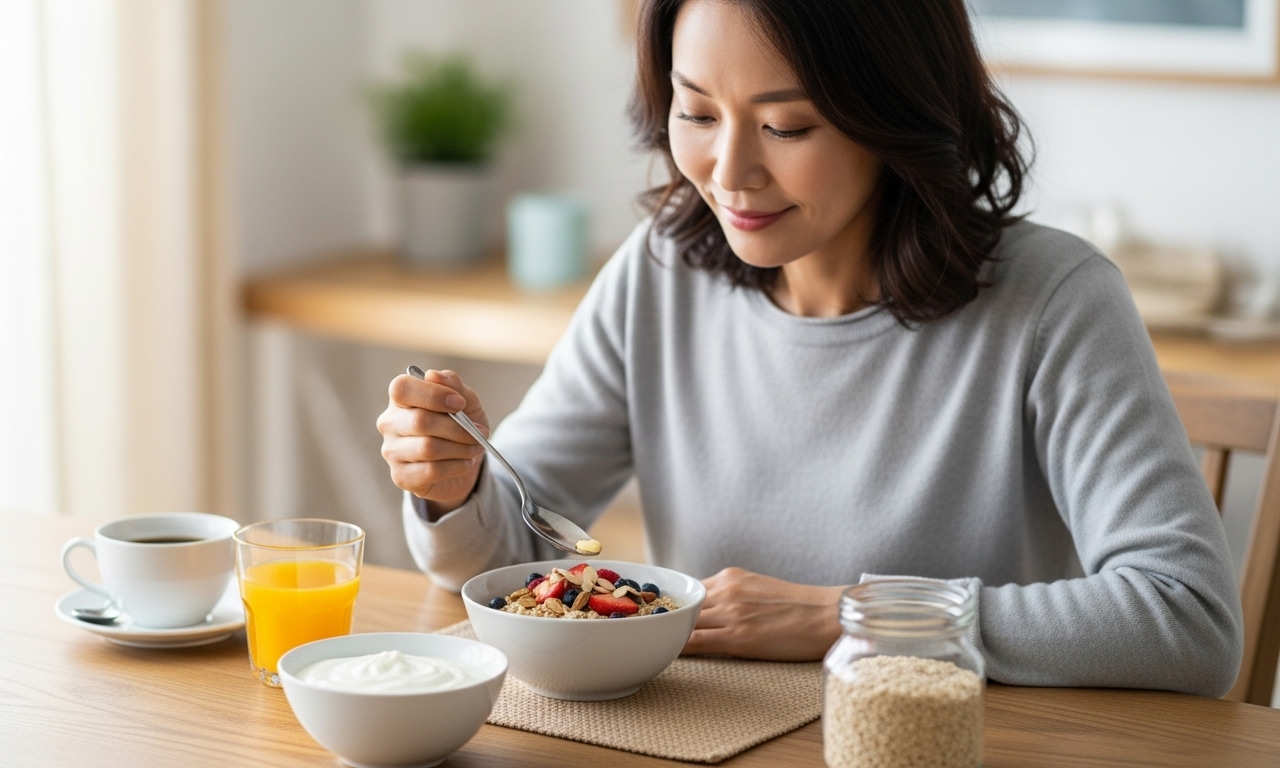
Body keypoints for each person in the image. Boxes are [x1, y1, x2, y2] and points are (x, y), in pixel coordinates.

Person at [375, 0, 1242, 696]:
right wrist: (453, 490)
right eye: (696, 111)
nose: (729, 172)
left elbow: (1189, 621)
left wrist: (850, 617)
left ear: (893, 115)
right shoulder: (661, 273)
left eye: (787, 126)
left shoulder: (1055, 300)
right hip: (706, 738)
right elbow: (506, 561)